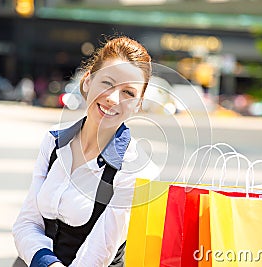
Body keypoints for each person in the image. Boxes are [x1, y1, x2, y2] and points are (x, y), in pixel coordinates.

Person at [12, 36, 159, 267]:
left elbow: (99, 253)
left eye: (128, 93)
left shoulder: (137, 169)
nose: (112, 99)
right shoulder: (54, 141)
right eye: (107, 83)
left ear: (139, 103)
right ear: (88, 81)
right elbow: (26, 223)